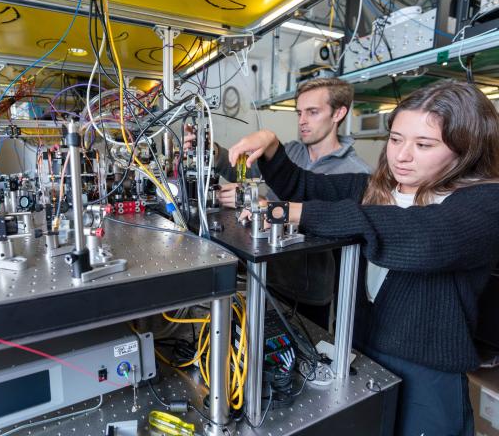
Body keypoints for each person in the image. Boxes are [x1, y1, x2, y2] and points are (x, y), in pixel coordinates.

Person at [228, 80, 499, 435]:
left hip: (426, 373)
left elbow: (423, 238)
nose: (401, 155)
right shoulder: (376, 188)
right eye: (397, 139)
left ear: (466, 148)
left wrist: (290, 213)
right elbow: (307, 186)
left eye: (423, 145)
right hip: (360, 352)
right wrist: (273, 149)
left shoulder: (484, 201)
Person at [185, 78, 371, 325]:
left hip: (307, 290)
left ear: (339, 113)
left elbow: (336, 225)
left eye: (313, 112)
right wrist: (213, 152)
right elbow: (246, 172)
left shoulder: (355, 173)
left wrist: (269, 209)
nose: (302, 120)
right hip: (265, 273)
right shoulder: (292, 151)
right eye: (299, 112)